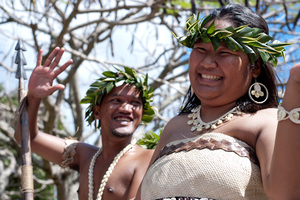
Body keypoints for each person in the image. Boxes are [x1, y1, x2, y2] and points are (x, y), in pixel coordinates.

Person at [137, 4, 300, 200]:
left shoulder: (266, 121)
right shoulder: (174, 127)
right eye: (200, 49)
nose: (207, 62)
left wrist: (295, 84)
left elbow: (286, 194)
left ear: (255, 66)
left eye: (224, 53)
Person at [14, 47, 155, 200]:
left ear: (141, 114)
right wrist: (34, 97)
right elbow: (28, 138)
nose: (126, 109)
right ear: (97, 111)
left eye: (135, 103)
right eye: (116, 100)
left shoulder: (150, 159)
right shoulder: (86, 157)